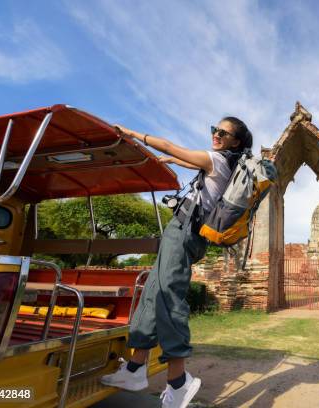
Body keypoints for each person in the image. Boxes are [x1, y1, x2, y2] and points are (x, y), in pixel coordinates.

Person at [101, 117, 253, 408]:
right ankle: (134, 369)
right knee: (153, 293)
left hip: (184, 232)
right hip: (184, 232)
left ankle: (179, 381)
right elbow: (184, 159)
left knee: (169, 297)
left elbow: (172, 145)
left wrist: (131, 133)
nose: (216, 135)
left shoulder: (216, 160)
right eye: (214, 130)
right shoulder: (224, 164)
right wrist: (171, 158)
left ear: (235, 141)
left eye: (224, 133)